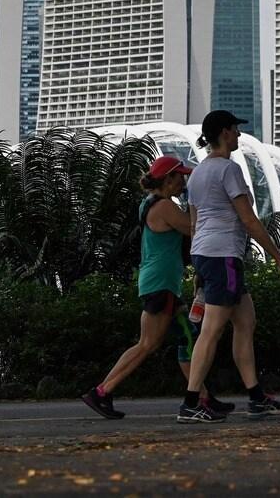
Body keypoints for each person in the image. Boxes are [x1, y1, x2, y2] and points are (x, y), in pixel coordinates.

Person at [81, 155, 233, 420]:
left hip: (160, 282)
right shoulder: (163, 207)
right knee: (148, 344)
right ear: (168, 179)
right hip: (160, 283)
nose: (183, 182)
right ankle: (102, 391)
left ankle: (203, 397)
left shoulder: (150, 203)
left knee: (187, 337)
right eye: (180, 177)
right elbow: (195, 228)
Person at [177, 110, 280, 424]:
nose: (239, 135)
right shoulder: (228, 169)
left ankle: (256, 398)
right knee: (212, 331)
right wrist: (278, 257)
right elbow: (248, 220)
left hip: (206, 254)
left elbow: (194, 221)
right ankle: (191, 403)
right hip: (223, 256)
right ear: (225, 133)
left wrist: (198, 267)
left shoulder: (200, 172)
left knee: (245, 322)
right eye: (235, 130)